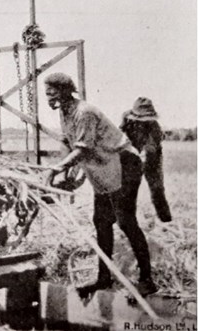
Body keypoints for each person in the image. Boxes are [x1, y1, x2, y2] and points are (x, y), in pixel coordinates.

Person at [43, 72, 157, 297]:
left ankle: (147, 280)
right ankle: (103, 279)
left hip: (124, 163)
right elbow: (68, 142)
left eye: (52, 92)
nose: (48, 96)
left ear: (66, 91)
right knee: (101, 222)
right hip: (105, 168)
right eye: (47, 93)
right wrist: (65, 170)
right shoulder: (65, 111)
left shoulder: (84, 112)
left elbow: (83, 148)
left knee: (125, 221)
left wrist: (58, 168)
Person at [120, 97, 171, 222]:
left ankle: (165, 219)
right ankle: (128, 220)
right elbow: (120, 135)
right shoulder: (126, 119)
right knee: (129, 188)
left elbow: (151, 148)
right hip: (132, 155)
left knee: (157, 188)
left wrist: (143, 156)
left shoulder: (154, 128)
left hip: (152, 158)